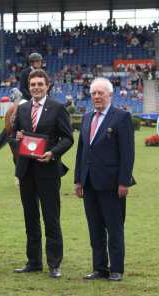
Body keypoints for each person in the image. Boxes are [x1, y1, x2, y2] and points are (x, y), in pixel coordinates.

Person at [12, 69, 74, 278]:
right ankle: (33, 261)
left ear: (47, 86)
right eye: (33, 84)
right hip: (26, 171)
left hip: (48, 170)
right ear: (28, 87)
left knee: (51, 218)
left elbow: (68, 138)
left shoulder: (57, 108)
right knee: (30, 218)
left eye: (40, 84)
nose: (36, 87)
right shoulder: (22, 109)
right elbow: (15, 137)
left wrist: (53, 153)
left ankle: (54, 264)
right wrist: (18, 137)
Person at [74, 77, 136, 282]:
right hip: (89, 182)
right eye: (94, 93)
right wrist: (78, 179)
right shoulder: (86, 117)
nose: (97, 96)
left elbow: (127, 153)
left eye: (101, 93)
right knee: (95, 228)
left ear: (110, 95)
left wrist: (124, 181)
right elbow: (81, 151)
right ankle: (99, 268)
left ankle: (116, 268)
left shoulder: (122, 117)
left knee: (114, 227)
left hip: (112, 184)